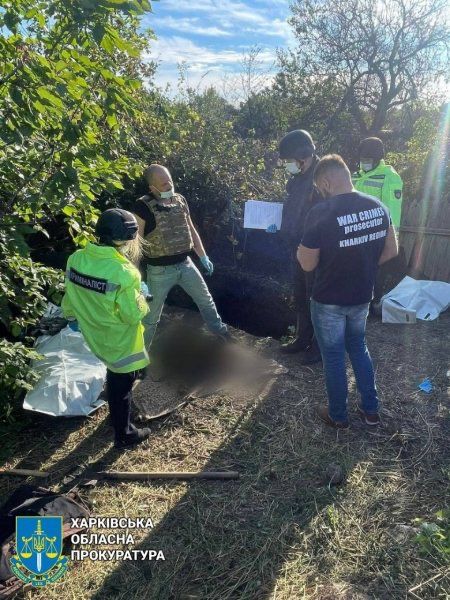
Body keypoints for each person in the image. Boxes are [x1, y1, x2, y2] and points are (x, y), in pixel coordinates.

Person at [298, 155, 398, 428]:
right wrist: (362, 265)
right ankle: (370, 411)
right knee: (358, 347)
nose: (320, 192)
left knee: (332, 357)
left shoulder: (320, 213)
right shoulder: (379, 207)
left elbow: (307, 263)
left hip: (328, 298)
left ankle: (338, 415)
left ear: (327, 182)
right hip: (362, 296)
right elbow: (392, 250)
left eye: (320, 187)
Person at [61, 209, 152, 449]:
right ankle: (125, 434)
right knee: (120, 384)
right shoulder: (124, 272)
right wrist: (142, 297)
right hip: (119, 341)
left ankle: (135, 376)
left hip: (93, 333)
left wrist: (71, 316)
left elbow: (70, 294)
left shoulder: (77, 258)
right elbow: (132, 315)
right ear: (127, 238)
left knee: (117, 375)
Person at [133, 164, 229, 349]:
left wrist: (203, 256)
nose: (169, 186)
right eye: (163, 184)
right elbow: (136, 243)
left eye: (170, 181)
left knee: (205, 300)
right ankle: (140, 355)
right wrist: (137, 277)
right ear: (152, 188)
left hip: (185, 264)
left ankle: (221, 332)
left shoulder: (180, 200)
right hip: (159, 271)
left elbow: (191, 230)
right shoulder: (142, 206)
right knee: (151, 317)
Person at [270, 129, 322, 364]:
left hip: (317, 251)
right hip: (297, 248)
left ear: (303, 156)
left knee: (318, 299)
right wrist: (276, 225)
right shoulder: (296, 179)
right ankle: (302, 339)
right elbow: (292, 211)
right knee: (300, 295)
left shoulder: (322, 178)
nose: (287, 165)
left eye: (290, 160)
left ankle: (319, 347)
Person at [352, 137, 404, 304]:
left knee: (376, 271)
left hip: (377, 234)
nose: (364, 163)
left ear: (377, 158)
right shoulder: (356, 175)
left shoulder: (390, 177)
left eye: (368, 160)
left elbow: (393, 211)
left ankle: (374, 302)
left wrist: (390, 238)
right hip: (354, 232)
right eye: (362, 159)